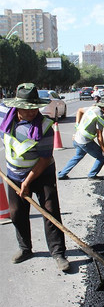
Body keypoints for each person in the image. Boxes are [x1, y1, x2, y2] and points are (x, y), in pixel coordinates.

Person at [0, 83, 69, 271]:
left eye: (34, 108)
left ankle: (58, 253)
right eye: (27, 109)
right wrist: (20, 182)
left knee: (50, 210)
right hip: (14, 174)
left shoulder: (45, 126)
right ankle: (25, 248)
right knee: (16, 213)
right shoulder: (5, 120)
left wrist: (27, 183)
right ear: (16, 106)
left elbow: (45, 159)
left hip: (41, 173)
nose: (32, 113)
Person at [58, 97, 104, 180]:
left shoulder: (92, 108)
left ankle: (62, 174)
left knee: (78, 156)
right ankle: (92, 175)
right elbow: (99, 136)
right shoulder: (100, 116)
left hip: (77, 138)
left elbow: (80, 110)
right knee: (101, 157)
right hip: (85, 142)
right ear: (103, 108)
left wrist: (77, 125)